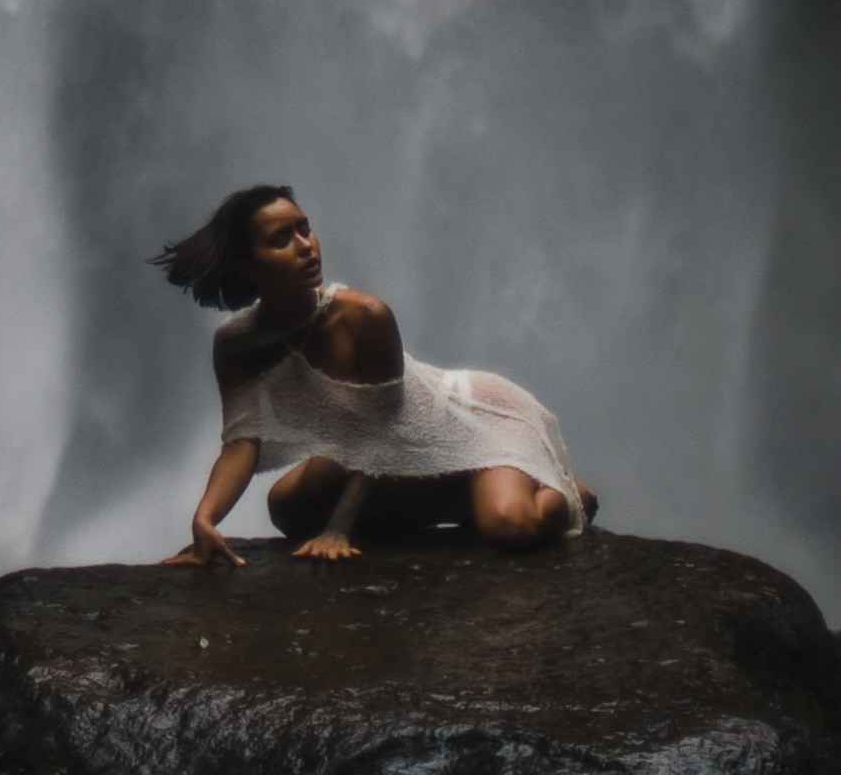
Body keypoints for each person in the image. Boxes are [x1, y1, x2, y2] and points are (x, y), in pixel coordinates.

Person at [155, 182, 591, 569]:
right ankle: (465, 492)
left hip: (475, 419)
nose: (306, 245)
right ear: (249, 268)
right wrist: (204, 520)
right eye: (281, 239)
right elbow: (241, 442)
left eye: (305, 229)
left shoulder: (364, 316)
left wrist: (339, 529)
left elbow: (387, 430)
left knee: (509, 526)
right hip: (370, 445)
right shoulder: (236, 344)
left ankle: (565, 492)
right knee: (287, 510)